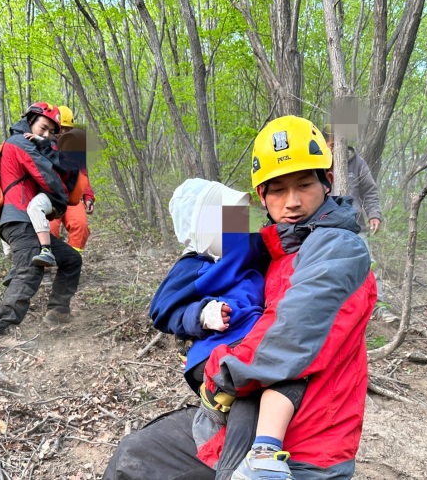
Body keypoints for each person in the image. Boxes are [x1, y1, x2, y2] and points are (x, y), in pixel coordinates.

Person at [103, 116, 377, 479]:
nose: (292, 201)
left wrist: (221, 374)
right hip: (245, 412)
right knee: (134, 456)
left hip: (306, 447)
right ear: (263, 196)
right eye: (277, 189)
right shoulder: (276, 249)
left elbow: (287, 336)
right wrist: (199, 317)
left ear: (327, 183)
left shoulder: (337, 246)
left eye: (304, 184)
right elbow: (171, 301)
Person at [150, 178, 309, 478]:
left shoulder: (246, 246)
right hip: (214, 350)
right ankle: (236, 468)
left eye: (238, 215)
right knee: (252, 389)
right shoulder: (193, 265)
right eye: (228, 217)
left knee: (278, 384)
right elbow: (162, 309)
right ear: (204, 228)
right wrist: (200, 314)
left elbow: (281, 237)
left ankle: (258, 456)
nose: (238, 223)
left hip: (249, 342)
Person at [0, 102, 83, 348]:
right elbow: (46, 175)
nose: (46, 135)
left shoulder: (30, 142)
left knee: (71, 260)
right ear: (30, 121)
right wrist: (62, 199)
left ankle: (57, 312)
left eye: (51, 132)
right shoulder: (19, 143)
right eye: (43, 128)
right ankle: (1, 330)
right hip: (19, 220)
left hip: (28, 221)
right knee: (30, 270)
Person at [322, 124, 392, 320]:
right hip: (325, 227)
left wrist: (375, 215)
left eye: (340, 144)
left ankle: (379, 309)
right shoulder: (317, 163)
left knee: (368, 265)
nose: (336, 149)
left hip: (356, 225)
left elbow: (369, 191)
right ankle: (338, 311)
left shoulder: (357, 163)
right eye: (332, 144)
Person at [49, 106, 95, 252]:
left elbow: (83, 175)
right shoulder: (43, 146)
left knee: (80, 226)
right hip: (50, 197)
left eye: (67, 129)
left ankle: (72, 261)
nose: (63, 132)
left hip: (72, 197)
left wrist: (88, 197)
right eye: (61, 128)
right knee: (50, 228)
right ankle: (45, 268)